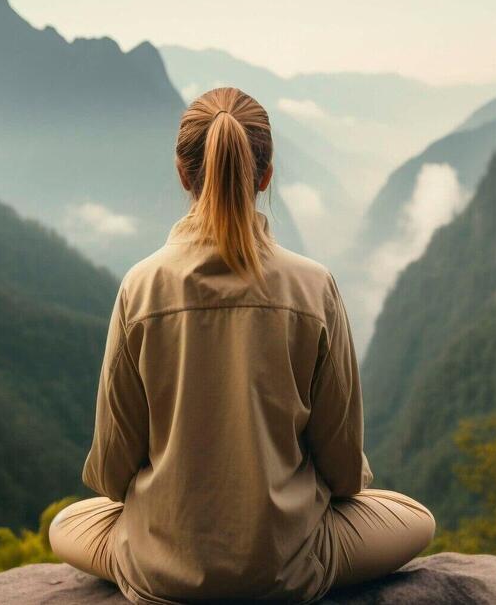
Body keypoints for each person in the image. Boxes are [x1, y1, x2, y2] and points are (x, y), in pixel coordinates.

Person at [49, 87, 434, 604]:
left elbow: (113, 474)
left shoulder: (140, 288)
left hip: (162, 570)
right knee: (415, 519)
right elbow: (344, 474)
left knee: (67, 522)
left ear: (183, 173)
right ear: (267, 174)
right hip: (286, 568)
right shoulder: (313, 287)